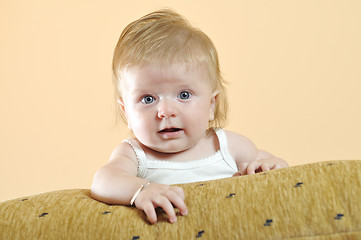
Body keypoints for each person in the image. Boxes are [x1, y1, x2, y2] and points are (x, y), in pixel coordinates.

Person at [90, 9, 288, 224]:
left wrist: (269, 165)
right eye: (148, 99)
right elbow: (103, 181)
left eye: (184, 95)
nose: (165, 111)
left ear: (211, 105)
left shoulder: (229, 147)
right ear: (126, 112)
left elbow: (274, 166)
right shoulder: (135, 155)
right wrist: (142, 190)